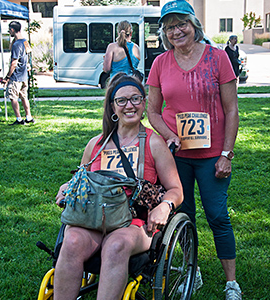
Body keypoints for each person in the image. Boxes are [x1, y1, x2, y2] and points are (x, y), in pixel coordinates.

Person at [54, 73, 183, 300]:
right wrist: (66, 187)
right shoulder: (96, 144)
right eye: (121, 100)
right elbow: (80, 179)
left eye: (135, 99)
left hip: (134, 221)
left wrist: (165, 205)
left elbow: (176, 189)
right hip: (94, 218)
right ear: (113, 107)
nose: (129, 105)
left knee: (115, 244)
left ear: (143, 103)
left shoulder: (154, 143)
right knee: (72, 240)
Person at [146, 1, 242, 299]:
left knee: (217, 216)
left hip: (213, 156)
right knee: (182, 214)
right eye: (169, 27)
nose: (176, 31)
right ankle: (191, 268)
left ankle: (231, 283)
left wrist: (226, 154)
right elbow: (152, 111)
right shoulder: (161, 63)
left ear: (193, 25)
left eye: (181, 24)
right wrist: (169, 136)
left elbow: (232, 109)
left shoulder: (218, 57)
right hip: (176, 156)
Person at [1, 21, 34, 125]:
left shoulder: (16, 45)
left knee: (13, 97)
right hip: (24, 76)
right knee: (24, 97)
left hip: (16, 77)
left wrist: (7, 77)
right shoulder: (25, 42)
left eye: (9, 30)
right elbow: (28, 56)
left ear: (12, 30)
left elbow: (14, 63)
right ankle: (29, 117)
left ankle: (19, 119)